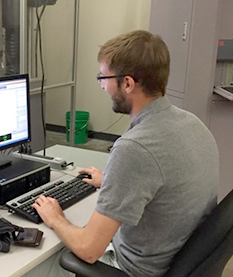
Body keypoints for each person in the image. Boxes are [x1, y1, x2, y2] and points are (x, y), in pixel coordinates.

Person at [31, 30, 219, 277]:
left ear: (128, 84)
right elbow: (162, 181)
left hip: (134, 270)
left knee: (41, 260)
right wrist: (109, 180)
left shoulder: (134, 149)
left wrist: (56, 218)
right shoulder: (193, 124)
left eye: (104, 77)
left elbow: (89, 250)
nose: (102, 86)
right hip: (175, 256)